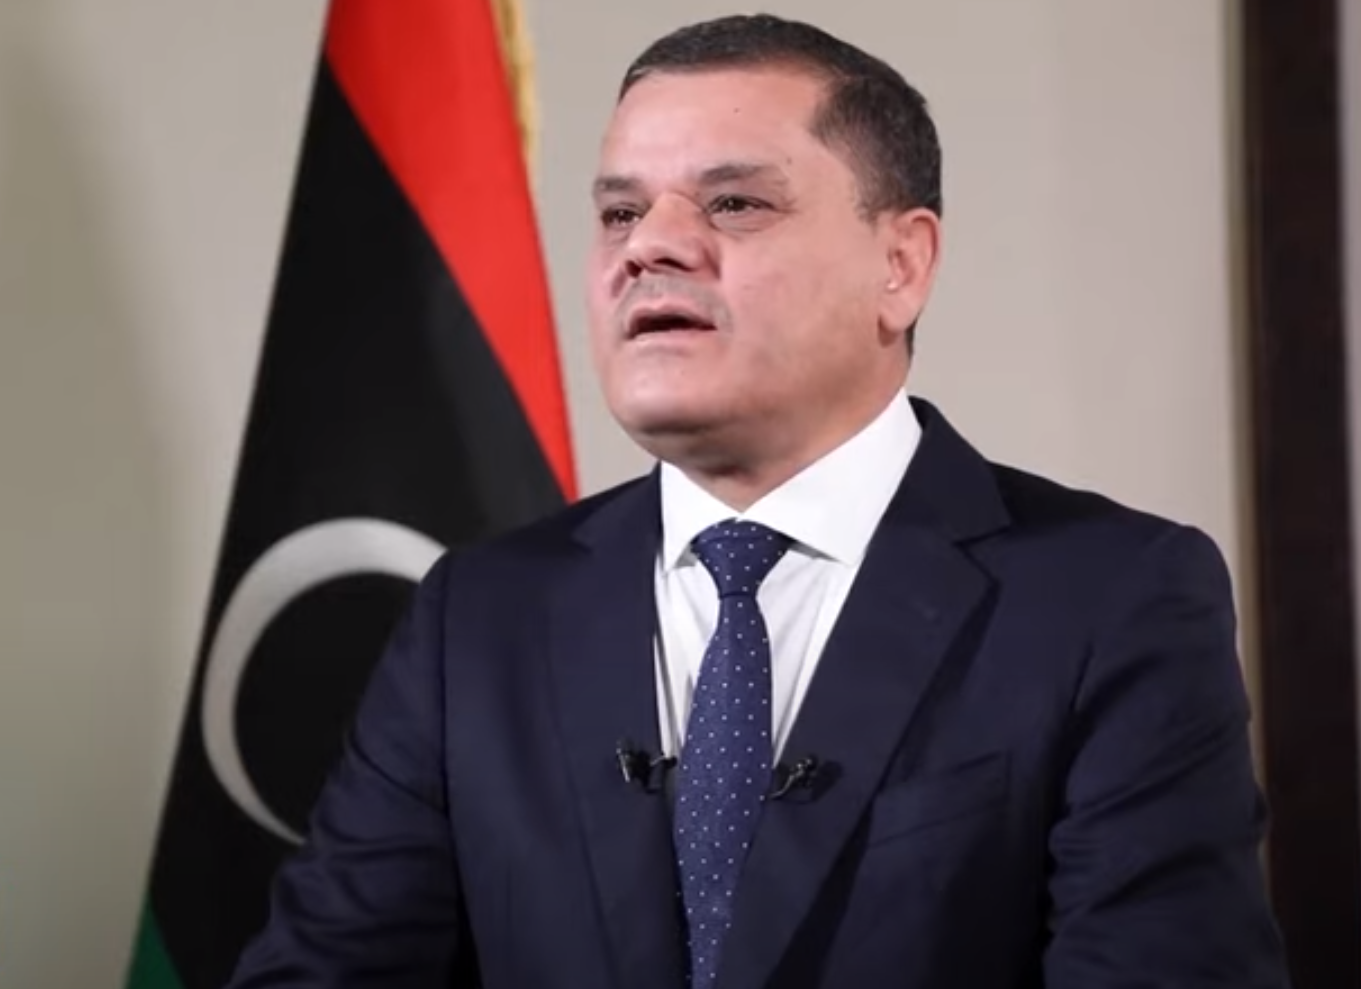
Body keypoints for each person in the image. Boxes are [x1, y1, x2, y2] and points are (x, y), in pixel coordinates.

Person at [226, 14, 1289, 989]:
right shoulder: (477, 615)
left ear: (900, 264)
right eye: (619, 211)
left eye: (733, 202)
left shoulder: (1110, 597)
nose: (648, 245)